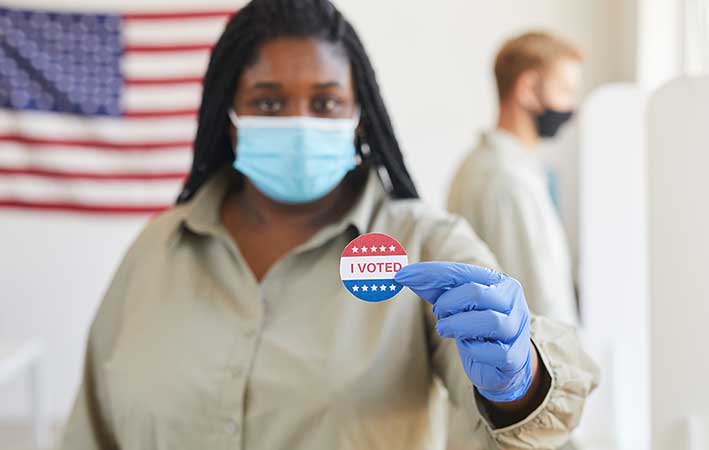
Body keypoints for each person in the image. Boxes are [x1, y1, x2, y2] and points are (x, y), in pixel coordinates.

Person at [60, 3, 598, 449]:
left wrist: (520, 384)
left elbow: (531, 424)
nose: (299, 123)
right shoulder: (157, 249)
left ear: (360, 115)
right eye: (268, 102)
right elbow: (92, 428)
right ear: (229, 116)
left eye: (326, 102)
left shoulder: (425, 245)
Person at [448, 32, 583, 326]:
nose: (572, 105)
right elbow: (537, 306)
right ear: (527, 89)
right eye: (565, 90)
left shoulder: (486, 165)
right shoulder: (506, 180)